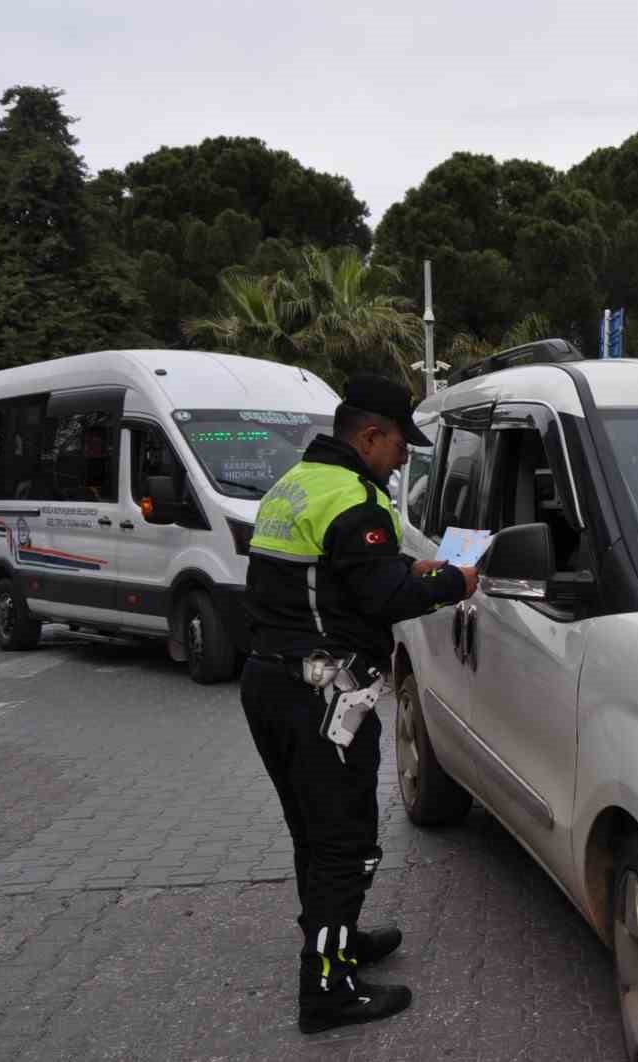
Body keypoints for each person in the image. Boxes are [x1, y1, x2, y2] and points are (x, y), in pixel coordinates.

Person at [241, 373, 476, 1034]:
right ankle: (327, 990)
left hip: (270, 681)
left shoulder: (295, 485)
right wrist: (455, 580)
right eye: (401, 444)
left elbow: (340, 577)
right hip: (322, 689)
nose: (405, 458)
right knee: (345, 837)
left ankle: (335, 940)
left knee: (313, 833)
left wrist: (409, 570)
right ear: (370, 434)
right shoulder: (355, 500)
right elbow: (384, 599)